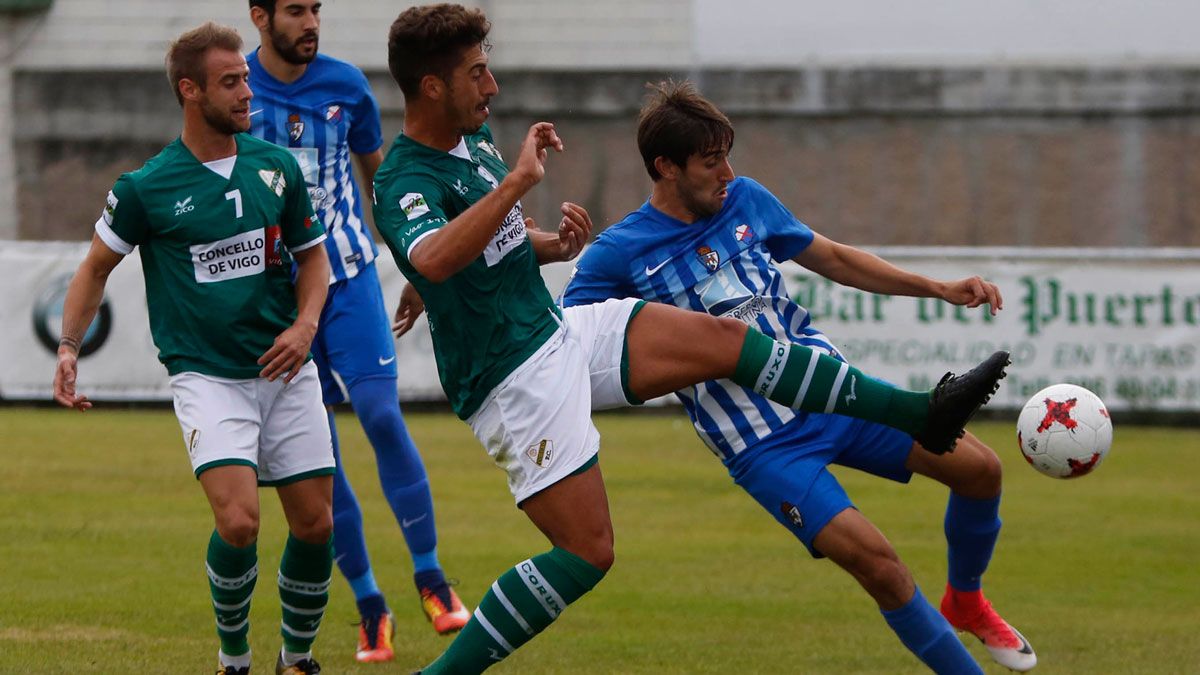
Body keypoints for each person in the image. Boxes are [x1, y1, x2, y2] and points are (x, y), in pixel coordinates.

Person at [375, 5, 1007, 673]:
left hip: (557, 334)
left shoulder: (474, 143)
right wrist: (506, 197)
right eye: (477, 73)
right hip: (512, 377)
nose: (492, 85)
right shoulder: (402, 178)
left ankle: (919, 412)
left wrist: (549, 244)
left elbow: (481, 248)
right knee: (588, 552)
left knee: (725, 338)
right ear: (432, 86)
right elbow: (436, 257)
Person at [561, 80, 1037, 673]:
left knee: (981, 471)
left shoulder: (746, 200)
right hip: (764, 446)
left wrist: (936, 287)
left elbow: (832, 257)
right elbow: (563, 340)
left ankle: (966, 602)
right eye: (712, 162)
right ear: (666, 167)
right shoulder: (618, 253)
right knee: (881, 566)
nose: (727, 173)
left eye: (728, 157)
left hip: (836, 395)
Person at [52, 22, 334, 675]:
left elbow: (313, 262)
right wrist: (69, 346)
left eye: (245, 78)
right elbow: (94, 268)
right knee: (239, 521)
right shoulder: (145, 187)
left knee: (316, 524)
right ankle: (233, 657)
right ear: (189, 90)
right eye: (230, 82)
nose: (247, 92)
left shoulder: (277, 167)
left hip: (287, 368)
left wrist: (305, 326)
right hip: (208, 375)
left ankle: (298, 658)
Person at [243, 0, 470, 663]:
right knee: (321, 455)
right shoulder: (236, 90)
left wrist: (418, 269)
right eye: (295, 10)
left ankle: (431, 576)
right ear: (260, 16)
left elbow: (383, 184)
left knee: (379, 410)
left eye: (316, 8)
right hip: (274, 302)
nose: (311, 21)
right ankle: (371, 605)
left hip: (346, 275)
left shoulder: (348, 86)